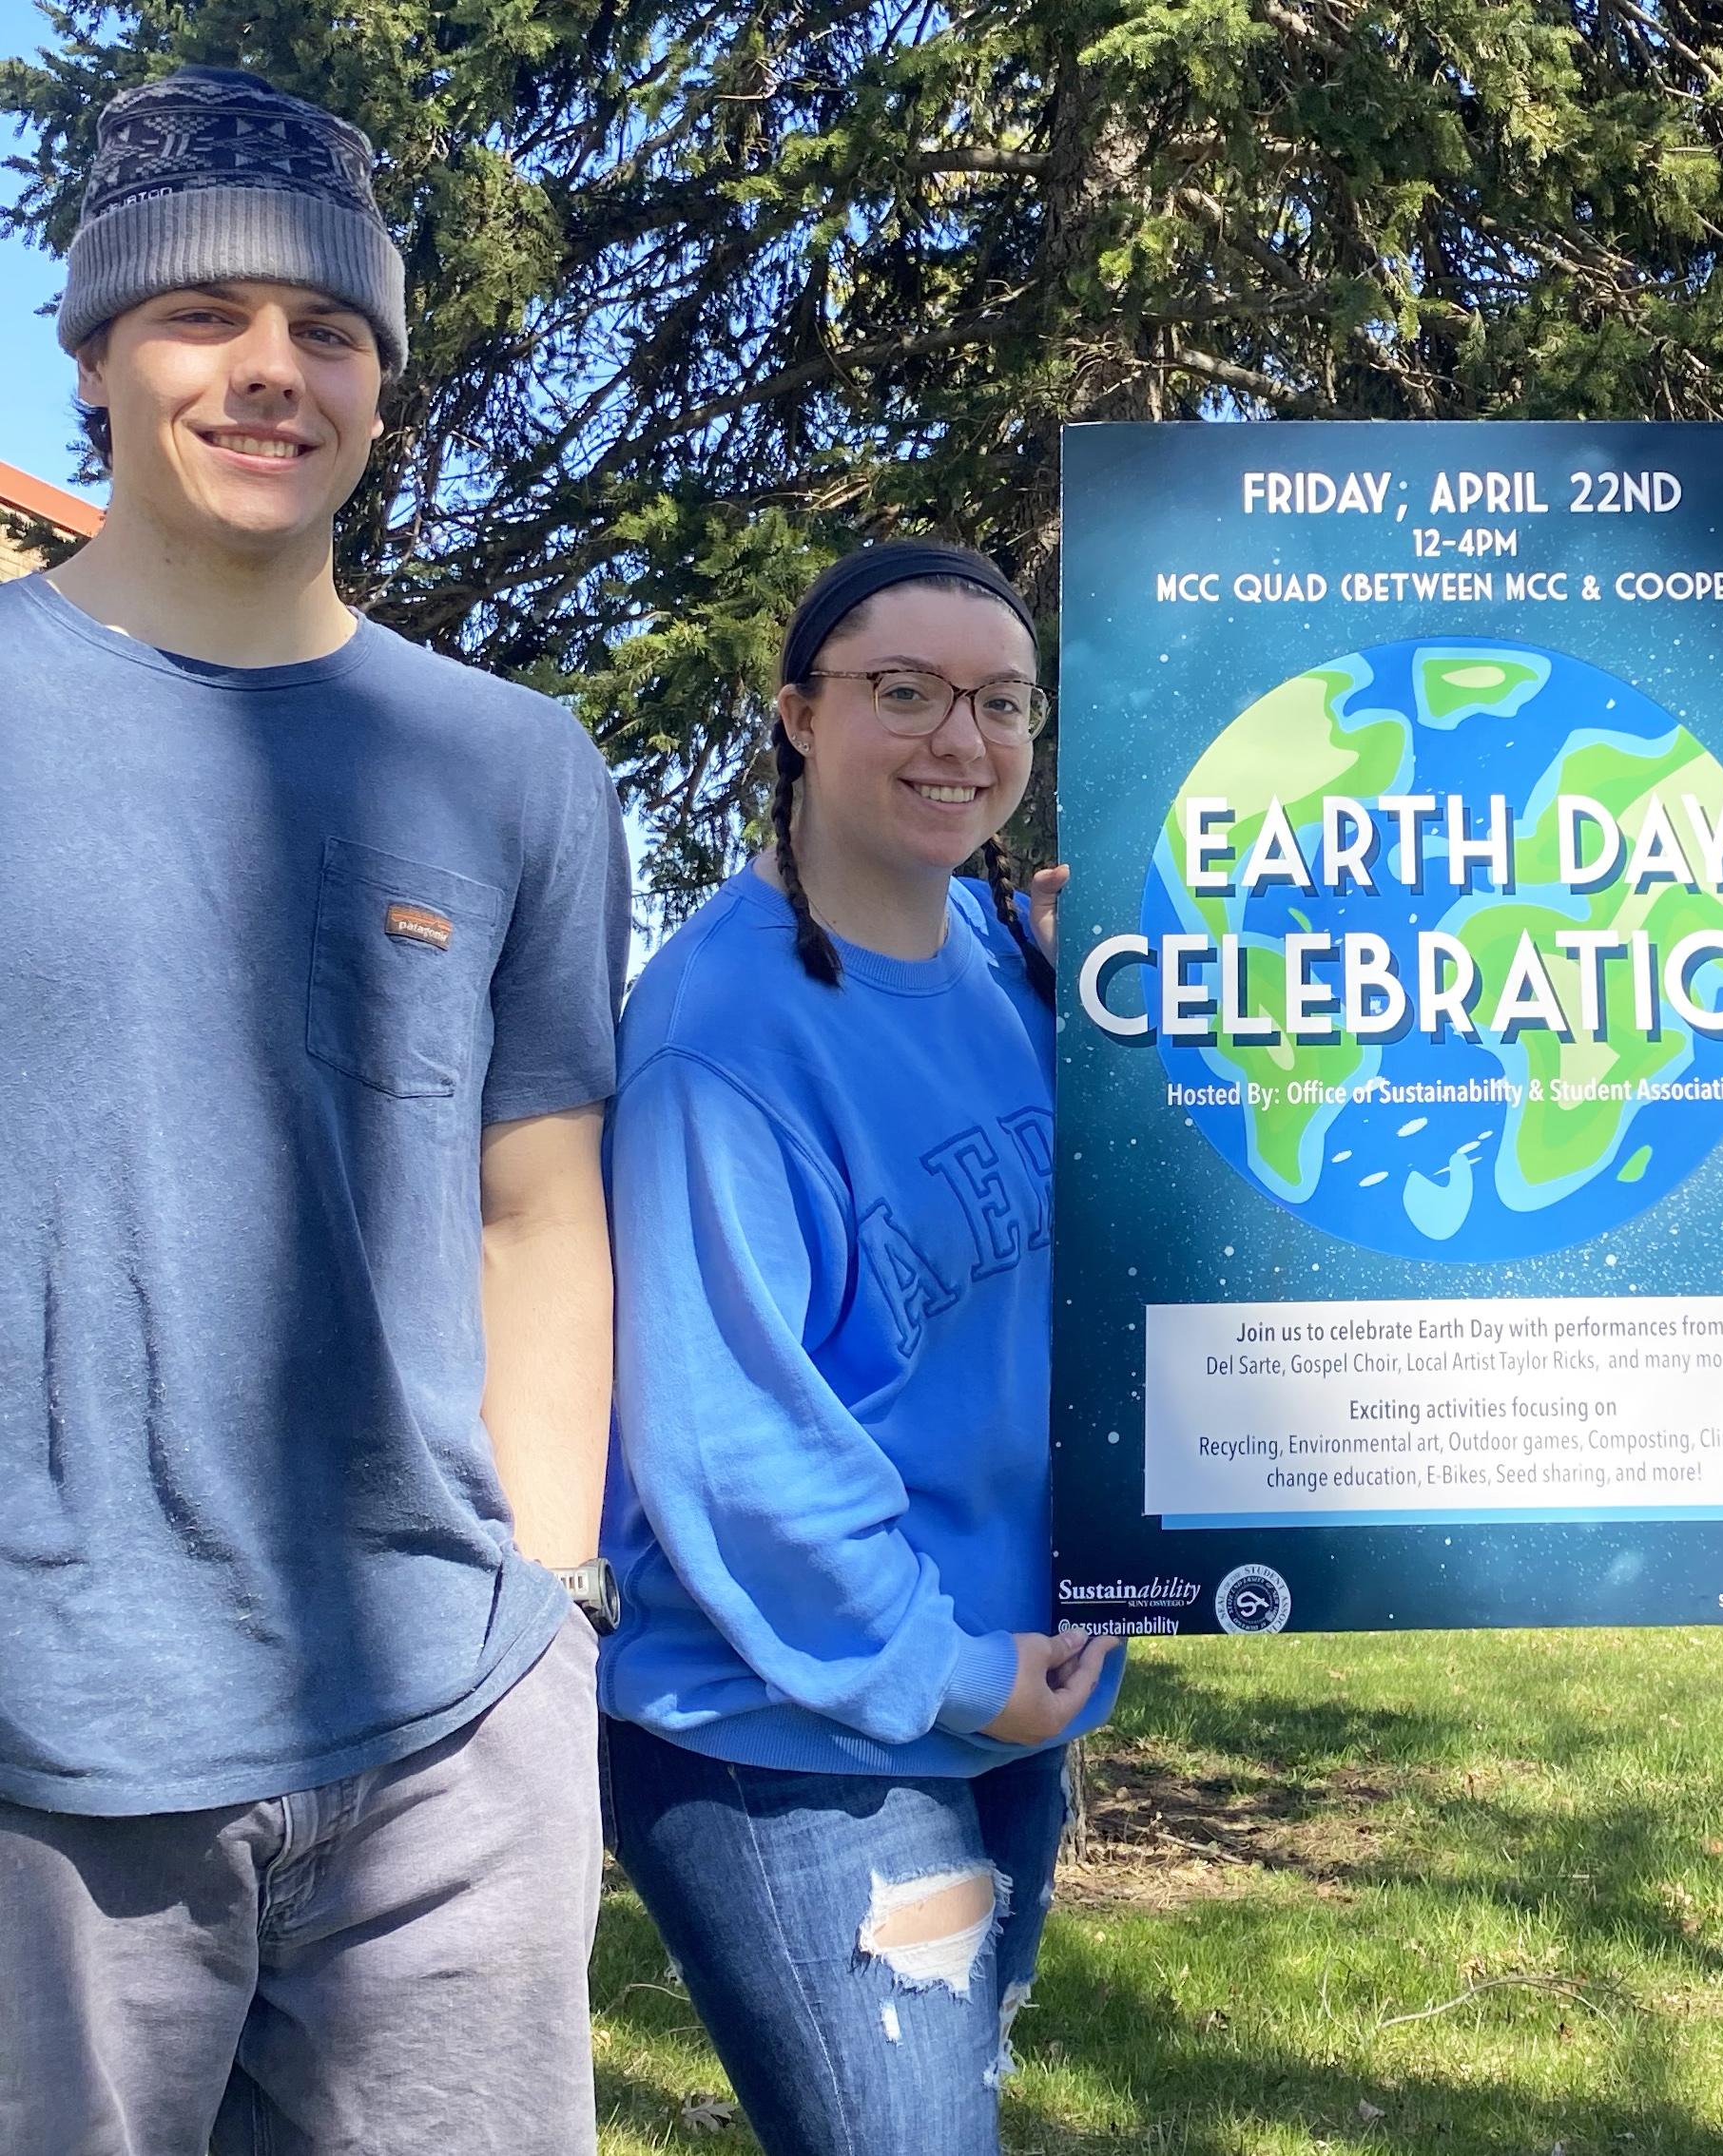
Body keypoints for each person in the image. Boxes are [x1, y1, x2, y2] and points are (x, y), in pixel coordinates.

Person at [0, 67, 629, 2155]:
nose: (273, 372)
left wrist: (553, 1607)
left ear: (380, 386)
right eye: (204, 318)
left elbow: (537, 1208)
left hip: (448, 1746)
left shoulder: (519, 762)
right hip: (43, 1745)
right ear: (95, 355)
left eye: (332, 330)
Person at [599, 539, 1120, 2155]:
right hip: (799, 1729)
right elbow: (729, 1436)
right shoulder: (720, 1035)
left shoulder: (1001, 963)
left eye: (1001, 703)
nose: (959, 741)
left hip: (1007, 1688)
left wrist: (1115, 986)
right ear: (797, 718)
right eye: (903, 693)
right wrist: (951, 1672)